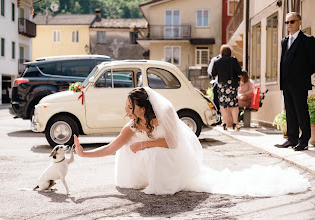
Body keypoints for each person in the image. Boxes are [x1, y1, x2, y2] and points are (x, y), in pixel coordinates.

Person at [74, 87, 310, 196]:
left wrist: (145, 144)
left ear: (142, 107)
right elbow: (112, 147)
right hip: (142, 170)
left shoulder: (162, 117)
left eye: (130, 105)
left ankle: (162, 183)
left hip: (171, 160)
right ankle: (145, 178)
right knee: (130, 148)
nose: (126, 109)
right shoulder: (131, 125)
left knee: (151, 151)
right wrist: (85, 154)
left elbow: (173, 144)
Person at [275, 12, 315, 151]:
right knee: (290, 111)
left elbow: (313, 62)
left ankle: (304, 140)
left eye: (292, 22)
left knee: (301, 111)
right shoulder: (284, 41)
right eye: (287, 22)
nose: (289, 25)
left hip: (300, 83)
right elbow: (283, 61)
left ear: (299, 22)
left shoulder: (308, 40)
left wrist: (302, 76)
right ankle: (291, 139)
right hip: (286, 83)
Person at [212, 45, 242, 130]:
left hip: (221, 85)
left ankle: (225, 123)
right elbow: (239, 72)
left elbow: (213, 73)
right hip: (231, 85)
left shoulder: (217, 61)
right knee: (234, 104)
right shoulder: (233, 60)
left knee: (223, 105)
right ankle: (235, 124)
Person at [207, 54, 222, 125]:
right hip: (216, 82)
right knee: (216, 100)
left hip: (222, 83)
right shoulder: (215, 59)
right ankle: (217, 118)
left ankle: (222, 118)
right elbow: (209, 70)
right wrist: (215, 75)